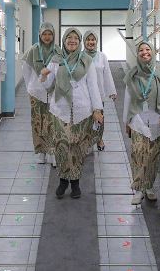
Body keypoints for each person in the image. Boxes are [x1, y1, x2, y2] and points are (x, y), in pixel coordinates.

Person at [40, 28, 103, 199]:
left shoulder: (87, 60)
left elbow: (93, 86)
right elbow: (48, 86)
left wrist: (97, 109)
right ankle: (63, 180)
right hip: (60, 110)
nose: (72, 40)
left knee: (77, 148)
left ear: (79, 41)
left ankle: (75, 182)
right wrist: (43, 76)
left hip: (82, 111)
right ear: (64, 40)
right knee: (61, 146)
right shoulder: (56, 60)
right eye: (69, 37)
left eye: (76, 38)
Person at [122, 41, 160, 205]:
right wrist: (126, 121)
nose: (144, 52)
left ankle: (149, 186)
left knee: (153, 156)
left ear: (153, 52)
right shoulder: (132, 74)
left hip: (157, 121)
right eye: (141, 50)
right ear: (137, 54)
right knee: (138, 154)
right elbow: (128, 98)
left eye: (147, 49)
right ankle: (138, 190)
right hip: (138, 120)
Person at [21, 22, 61, 166]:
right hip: (36, 93)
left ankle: (53, 152)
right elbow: (25, 70)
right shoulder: (33, 50)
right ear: (40, 34)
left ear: (53, 35)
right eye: (44, 34)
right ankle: (40, 152)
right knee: (38, 122)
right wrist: (31, 87)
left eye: (50, 34)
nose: (47, 37)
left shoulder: (58, 51)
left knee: (53, 122)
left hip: (53, 92)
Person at [82, 29, 117, 152]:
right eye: (88, 39)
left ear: (96, 41)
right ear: (84, 41)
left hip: (98, 94)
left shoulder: (102, 56)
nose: (91, 42)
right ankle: (86, 140)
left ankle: (99, 139)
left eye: (93, 40)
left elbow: (107, 74)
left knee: (99, 118)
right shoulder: (80, 56)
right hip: (84, 94)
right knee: (86, 119)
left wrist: (111, 91)